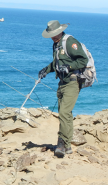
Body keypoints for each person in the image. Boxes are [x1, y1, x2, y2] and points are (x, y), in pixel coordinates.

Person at [37, 20, 88, 158]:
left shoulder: (69, 42)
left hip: (73, 82)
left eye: (54, 34)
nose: (52, 37)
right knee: (66, 114)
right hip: (62, 82)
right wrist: (46, 70)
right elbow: (57, 63)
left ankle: (62, 144)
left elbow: (84, 60)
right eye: (51, 34)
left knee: (64, 113)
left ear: (60, 31)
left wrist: (69, 67)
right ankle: (68, 146)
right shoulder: (56, 44)